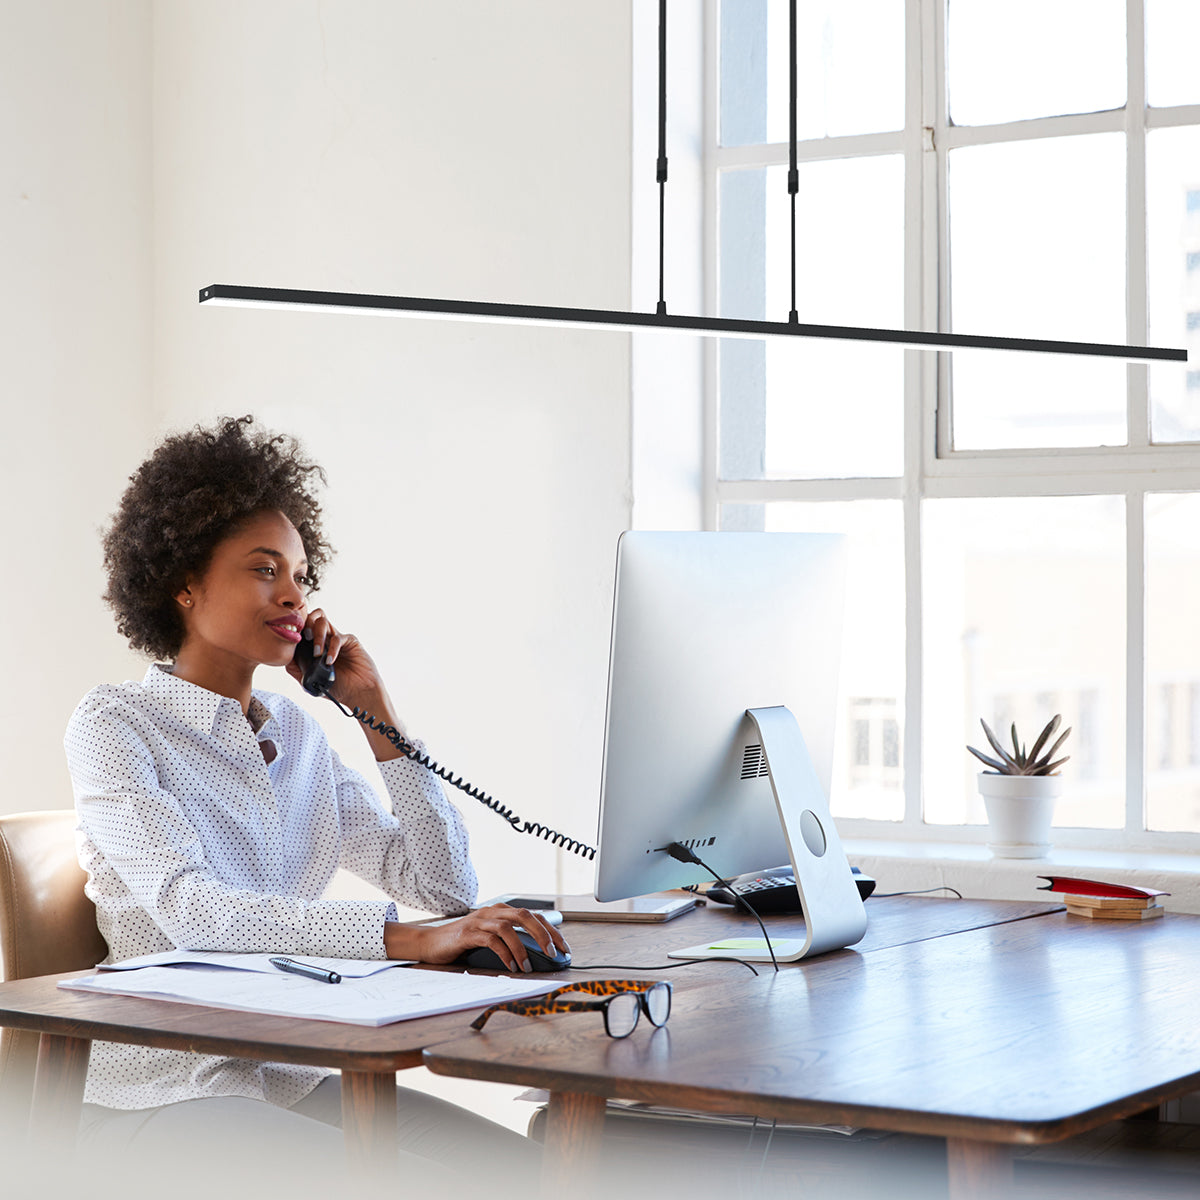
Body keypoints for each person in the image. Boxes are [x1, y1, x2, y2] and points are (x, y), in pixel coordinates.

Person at [64, 415, 567, 1186]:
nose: (294, 594)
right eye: (266, 570)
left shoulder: (295, 733)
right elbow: (197, 912)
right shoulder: (114, 724)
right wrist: (409, 941)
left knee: (527, 1172)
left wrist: (379, 716)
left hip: (287, 1074)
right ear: (185, 583)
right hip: (160, 1095)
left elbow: (442, 888)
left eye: (300, 574)